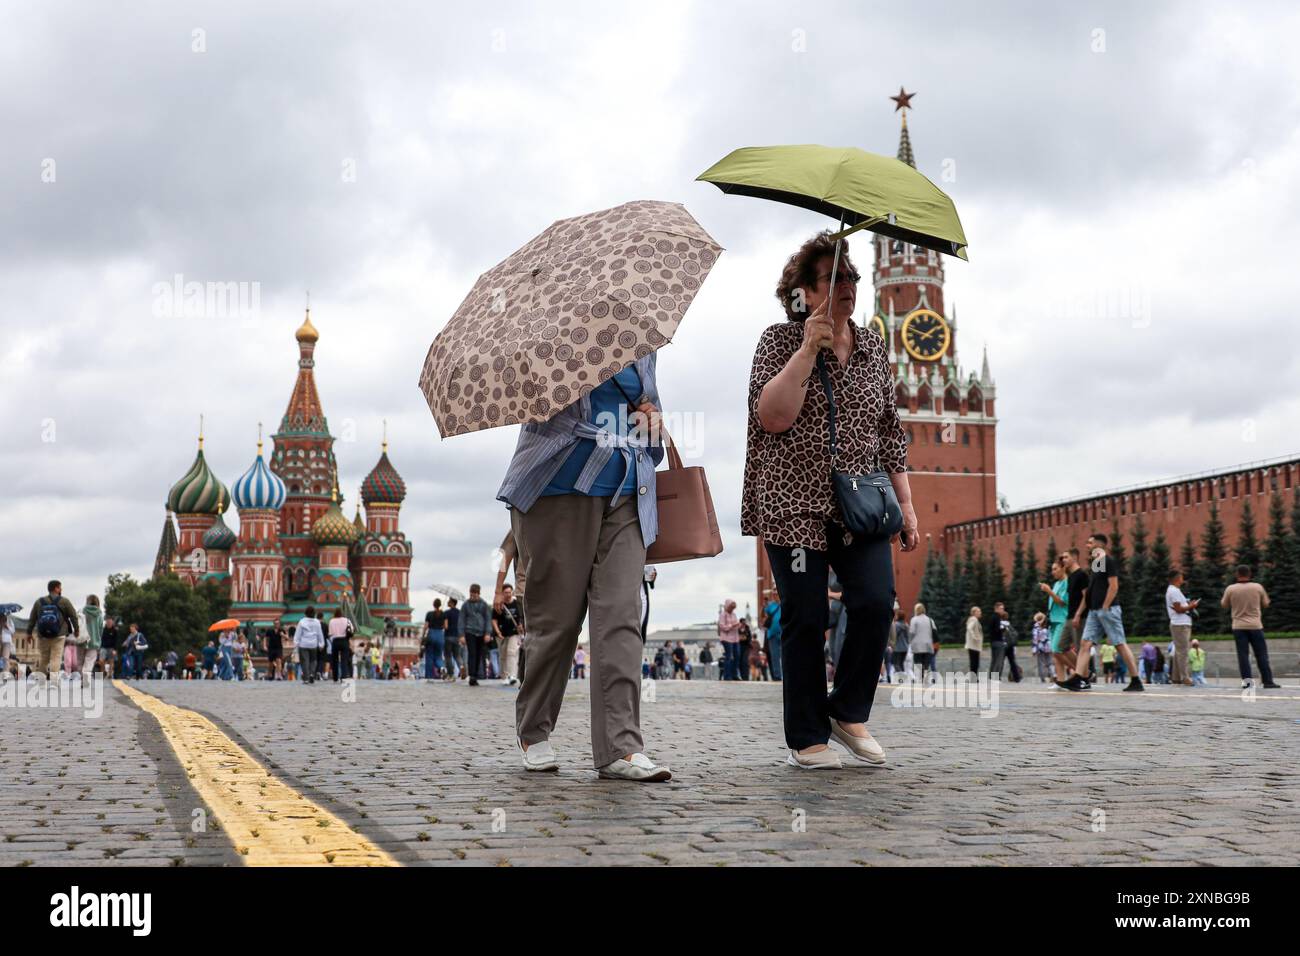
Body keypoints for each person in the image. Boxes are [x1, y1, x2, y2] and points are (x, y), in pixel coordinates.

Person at [743, 232, 918, 770]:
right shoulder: (777, 341)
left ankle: (847, 710)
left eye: (852, 278)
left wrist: (907, 506)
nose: (847, 287)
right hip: (792, 505)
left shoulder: (870, 349)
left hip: (859, 502)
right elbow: (772, 417)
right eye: (834, 278)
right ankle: (807, 738)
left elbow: (890, 433)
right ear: (804, 292)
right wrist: (806, 350)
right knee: (806, 613)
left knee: (873, 600)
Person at [496, 341, 671, 782]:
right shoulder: (548, 336)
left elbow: (653, 439)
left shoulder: (643, 345)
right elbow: (530, 403)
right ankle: (533, 731)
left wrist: (654, 427)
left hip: (629, 490)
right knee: (556, 621)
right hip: (559, 486)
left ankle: (621, 748)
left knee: (621, 617)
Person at [1062, 533, 1142, 692]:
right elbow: (1091, 590)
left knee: (1119, 643)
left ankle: (1136, 680)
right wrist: (1085, 610)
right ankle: (1078, 678)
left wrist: (1105, 606)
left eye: (1090, 543)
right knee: (1085, 644)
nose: (1087, 546)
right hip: (1094, 611)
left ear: (1099, 545)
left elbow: (1114, 586)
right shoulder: (1097, 564)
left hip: (1108, 610)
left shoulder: (1108, 561)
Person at [1221, 565, 1279, 689]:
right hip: (1255, 625)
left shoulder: (1230, 589)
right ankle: (1268, 681)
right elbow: (1266, 603)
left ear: (1237, 574)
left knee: (1243, 656)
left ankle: (1247, 683)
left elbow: (1224, 604)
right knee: (1262, 654)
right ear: (1250, 574)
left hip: (1238, 626)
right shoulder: (1258, 587)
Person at [25, 579, 80, 681]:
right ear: (56, 588)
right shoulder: (64, 601)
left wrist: (29, 633)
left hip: (43, 635)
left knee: (44, 658)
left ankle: (41, 681)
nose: (61, 589)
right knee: (56, 658)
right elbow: (73, 616)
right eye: (60, 587)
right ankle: (54, 681)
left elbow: (32, 618)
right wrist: (76, 629)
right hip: (59, 635)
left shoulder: (39, 602)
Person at [1163, 568, 1199, 687]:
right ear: (1177, 578)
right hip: (1180, 624)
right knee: (1183, 652)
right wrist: (1191, 606)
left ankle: (1177, 677)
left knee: (1180, 651)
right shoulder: (1174, 591)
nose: (1183, 579)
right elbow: (1178, 609)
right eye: (1182, 576)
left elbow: (1179, 606)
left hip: (1181, 623)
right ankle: (1185, 678)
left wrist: (1188, 605)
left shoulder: (1174, 590)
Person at [1040, 558, 1072, 686]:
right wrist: (1045, 618)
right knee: (1056, 653)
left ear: (1063, 568)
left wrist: (1049, 591)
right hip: (1053, 621)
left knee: (1056, 650)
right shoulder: (1057, 584)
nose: (1052, 572)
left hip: (1062, 620)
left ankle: (1081, 672)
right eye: (1052, 569)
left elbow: (1062, 602)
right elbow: (1053, 605)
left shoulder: (1066, 582)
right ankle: (1061, 681)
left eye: (1055, 569)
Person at [461, 584, 491, 686]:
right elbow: (461, 620)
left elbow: (488, 619)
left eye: (474, 594)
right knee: (472, 653)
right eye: (471, 594)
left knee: (479, 654)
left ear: (478, 593)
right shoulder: (466, 605)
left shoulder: (484, 605)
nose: (472, 596)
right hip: (470, 632)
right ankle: (472, 676)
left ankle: (476, 674)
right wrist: (461, 635)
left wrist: (488, 633)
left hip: (481, 633)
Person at [295, 607, 325, 685]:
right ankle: (312, 674)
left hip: (303, 644)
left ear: (305, 613)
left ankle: (306, 678)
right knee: (313, 660)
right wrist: (321, 644)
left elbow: (298, 633)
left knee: (305, 661)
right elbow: (320, 633)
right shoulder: (317, 622)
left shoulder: (302, 622)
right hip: (313, 644)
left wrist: (296, 643)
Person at [908, 603, 937, 684]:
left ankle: (919, 679)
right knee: (926, 663)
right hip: (928, 645)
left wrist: (909, 641)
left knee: (918, 663)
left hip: (917, 646)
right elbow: (934, 630)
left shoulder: (914, 619)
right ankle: (925, 678)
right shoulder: (930, 620)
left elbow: (912, 632)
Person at [79, 595, 103, 680]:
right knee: (89, 661)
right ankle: (86, 679)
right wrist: (99, 641)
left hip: (82, 640)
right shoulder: (99, 614)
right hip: (94, 641)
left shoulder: (81, 611)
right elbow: (100, 629)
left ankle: (81, 677)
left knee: (80, 661)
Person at [717, 600, 741, 681]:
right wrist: (732, 625)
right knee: (729, 656)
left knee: (737, 656)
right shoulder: (723, 615)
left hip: (735, 638)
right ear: (727, 606)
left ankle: (735, 674)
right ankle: (727, 675)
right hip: (726, 638)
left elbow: (736, 625)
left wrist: (739, 625)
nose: (732, 609)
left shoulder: (734, 614)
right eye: (731, 607)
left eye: (733, 608)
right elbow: (722, 627)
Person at [422, 599, 447, 680]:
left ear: (433, 605)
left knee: (429, 656)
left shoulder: (429, 614)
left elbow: (425, 627)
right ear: (440, 605)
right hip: (440, 635)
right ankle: (442, 667)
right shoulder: (443, 614)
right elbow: (446, 626)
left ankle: (429, 676)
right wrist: (440, 626)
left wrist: (423, 636)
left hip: (431, 634)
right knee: (438, 656)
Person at [328, 607, 353, 681]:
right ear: (342, 613)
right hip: (344, 641)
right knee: (344, 660)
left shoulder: (331, 621)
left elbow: (330, 633)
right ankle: (344, 676)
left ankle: (335, 677)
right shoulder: (346, 620)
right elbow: (352, 629)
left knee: (334, 660)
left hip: (335, 641)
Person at [444, 597, 463, 681]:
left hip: (448, 636)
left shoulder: (446, 613)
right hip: (457, 636)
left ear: (452, 603)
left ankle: (451, 674)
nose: (448, 602)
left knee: (448, 656)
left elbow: (446, 626)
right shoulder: (460, 613)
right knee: (457, 655)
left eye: (449, 601)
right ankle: (462, 667)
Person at [1031, 612, 1052, 682]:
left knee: (1041, 663)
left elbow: (1035, 639)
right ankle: (1052, 675)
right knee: (1050, 662)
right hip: (1048, 647)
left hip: (1040, 648)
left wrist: (1034, 650)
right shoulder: (1047, 626)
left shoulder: (1036, 627)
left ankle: (1043, 678)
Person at [964, 607, 983, 675]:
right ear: (974, 613)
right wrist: (974, 637)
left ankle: (973, 677)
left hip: (973, 645)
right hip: (974, 645)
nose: (980, 613)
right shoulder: (974, 619)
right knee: (975, 662)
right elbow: (969, 628)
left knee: (974, 662)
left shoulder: (973, 619)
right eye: (979, 611)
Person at [736, 616, 754, 681]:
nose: (743, 624)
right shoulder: (737, 629)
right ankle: (742, 676)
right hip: (739, 646)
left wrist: (746, 638)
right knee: (740, 661)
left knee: (745, 661)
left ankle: (746, 677)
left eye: (744, 622)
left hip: (746, 646)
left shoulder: (747, 628)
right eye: (742, 622)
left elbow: (749, 637)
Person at [0, 611, 14, 680]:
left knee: (5, 658)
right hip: (0, 640)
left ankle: (5, 675)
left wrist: (7, 626)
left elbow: (13, 631)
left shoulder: (9, 621)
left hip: (6, 641)